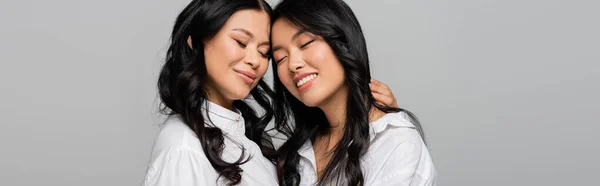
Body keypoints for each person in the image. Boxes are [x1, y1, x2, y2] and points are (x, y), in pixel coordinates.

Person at [142, 0, 399, 185]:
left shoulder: (239, 135)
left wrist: (379, 127)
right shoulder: (184, 148)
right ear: (196, 40)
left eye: (265, 52)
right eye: (241, 42)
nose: (255, 61)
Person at [270, 0, 437, 185]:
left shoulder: (395, 143)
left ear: (344, 43)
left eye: (306, 43)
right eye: (280, 58)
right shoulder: (297, 151)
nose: (293, 64)